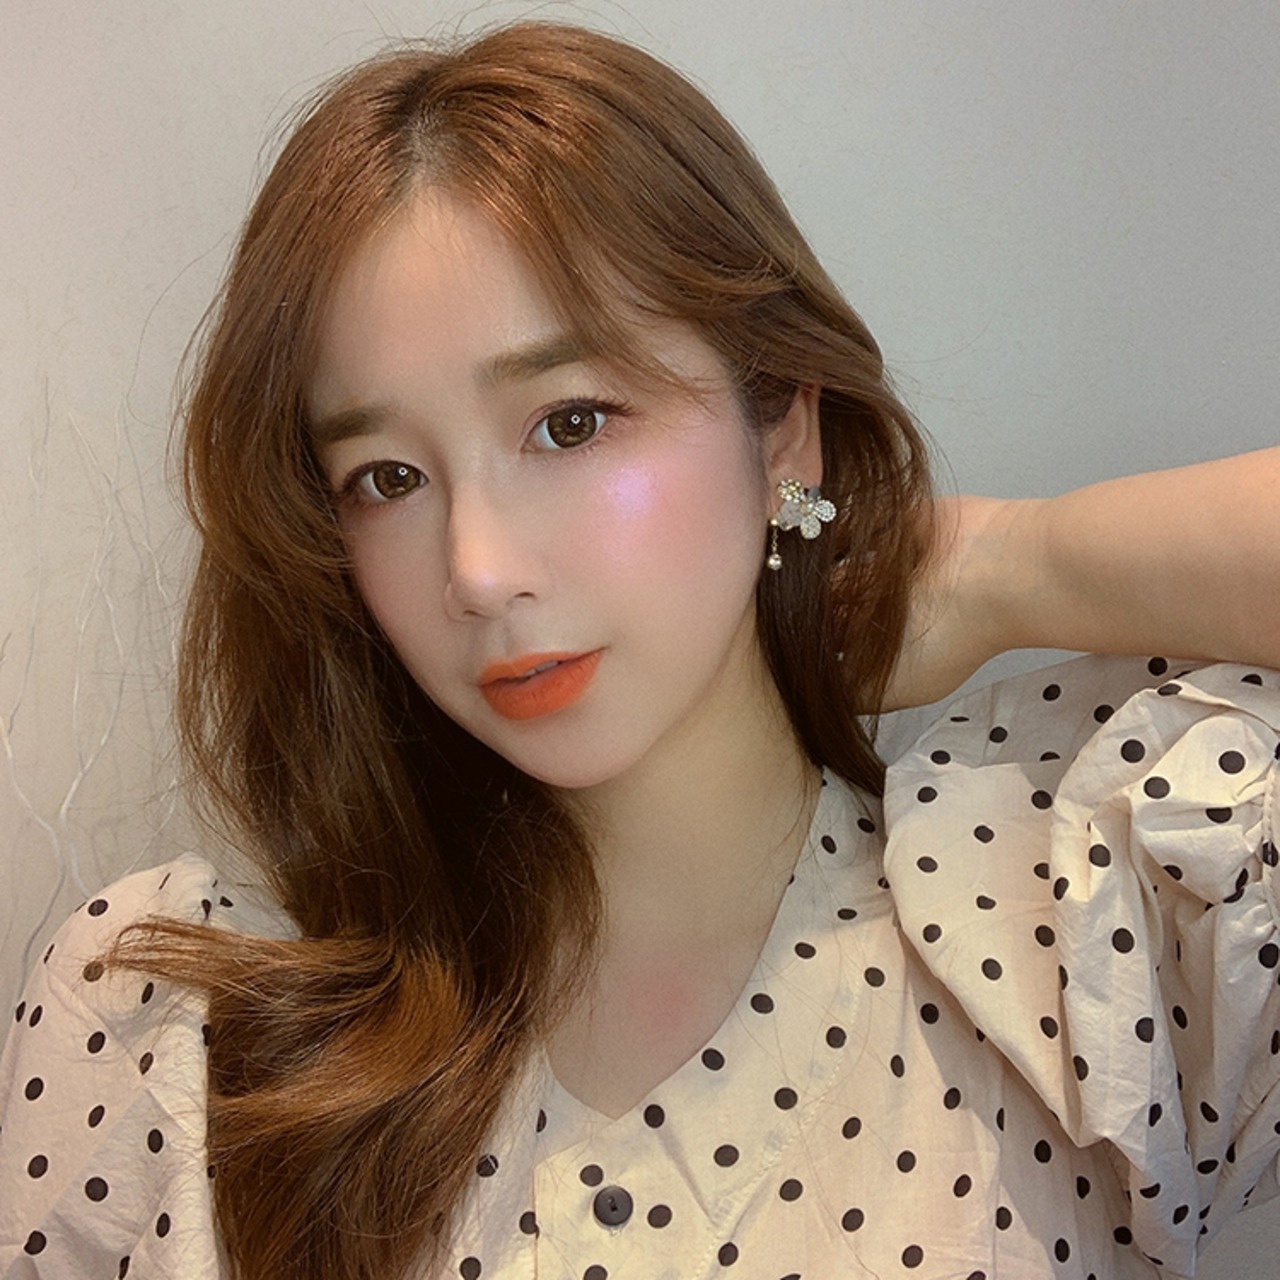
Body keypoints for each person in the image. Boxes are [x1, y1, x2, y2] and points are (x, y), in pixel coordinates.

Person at [1, 19, 1278, 1280]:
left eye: (569, 422)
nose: (477, 569)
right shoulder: (174, 1040)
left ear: (780, 430)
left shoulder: (1091, 924)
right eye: (386, 476)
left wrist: (1006, 565)